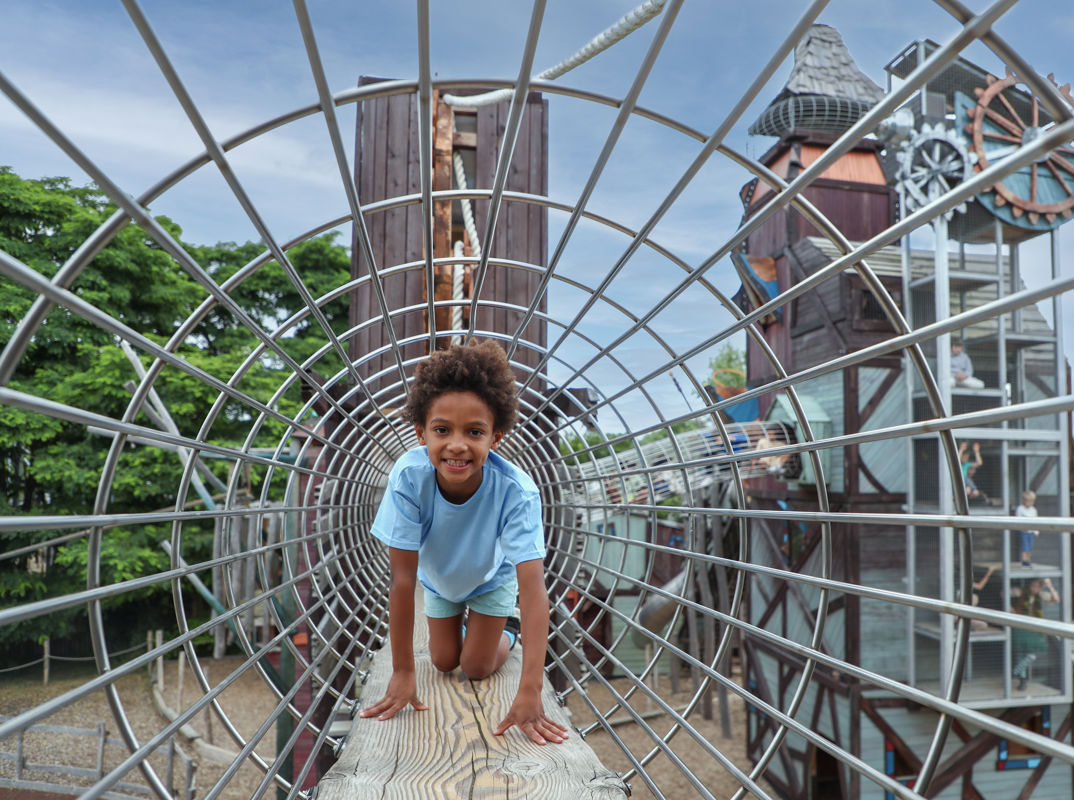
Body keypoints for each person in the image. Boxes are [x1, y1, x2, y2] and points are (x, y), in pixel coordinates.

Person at [359, 341, 568, 746]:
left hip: (491, 578)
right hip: (439, 580)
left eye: (475, 432)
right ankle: (469, 624)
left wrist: (531, 690)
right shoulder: (408, 478)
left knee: (475, 667)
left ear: (496, 437)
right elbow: (402, 580)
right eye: (442, 430)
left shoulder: (516, 492)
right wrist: (403, 672)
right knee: (441, 662)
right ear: (422, 433)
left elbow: (534, 589)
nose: (457, 445)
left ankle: (506, 629)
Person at [1012, 577, 1060, 690]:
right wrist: (1011, 609)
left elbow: (1056, 599)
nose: (1034, 588)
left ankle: (1015, 671)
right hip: (1021, 626)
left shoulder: (1041, 595)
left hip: (1034, 627)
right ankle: (1022, 681)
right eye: (1033, 586)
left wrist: (1050, 586)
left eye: (1037, 586)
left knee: (1032, 654)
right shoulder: (1021, 592)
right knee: (1020, 654)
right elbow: (1004, 593)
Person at [1016, 490, 1039, 567]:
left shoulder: (1034, 510)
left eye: (1031, 501)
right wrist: (1022, 528)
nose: (1029, 503)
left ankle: (1028, 560)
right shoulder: (1020, 508)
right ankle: (1024, 561)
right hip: (1024, 531)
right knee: (1025, 547)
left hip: (1031, 532)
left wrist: (1036, 532)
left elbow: (1036, 521)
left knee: (1030, 547)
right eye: (1028, 501)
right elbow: (1018, 519)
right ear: (1024, 500)